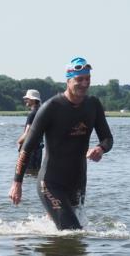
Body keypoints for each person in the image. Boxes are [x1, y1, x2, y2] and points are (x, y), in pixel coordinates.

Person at [8, 58, 113, 230]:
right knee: (72, 231)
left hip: (78, 183)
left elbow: (108, 138)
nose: (84, 83)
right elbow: (27, 148)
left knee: (70, 230)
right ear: (68, 80)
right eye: (80, 79)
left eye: (88, 79)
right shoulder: (51, 108)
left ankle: (37, 234)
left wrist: (100, 148)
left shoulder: (93, 105)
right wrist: (17, 183)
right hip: (50, 182)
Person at [15, 89, 45, 173]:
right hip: (39, 148)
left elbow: (27, 133)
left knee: (27, 172)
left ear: (33, 100)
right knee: (35, 172)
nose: (25, 100)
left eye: (27, 98)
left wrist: (19, 142)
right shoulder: (41, 112)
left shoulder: (32, 114)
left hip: (30, 149)